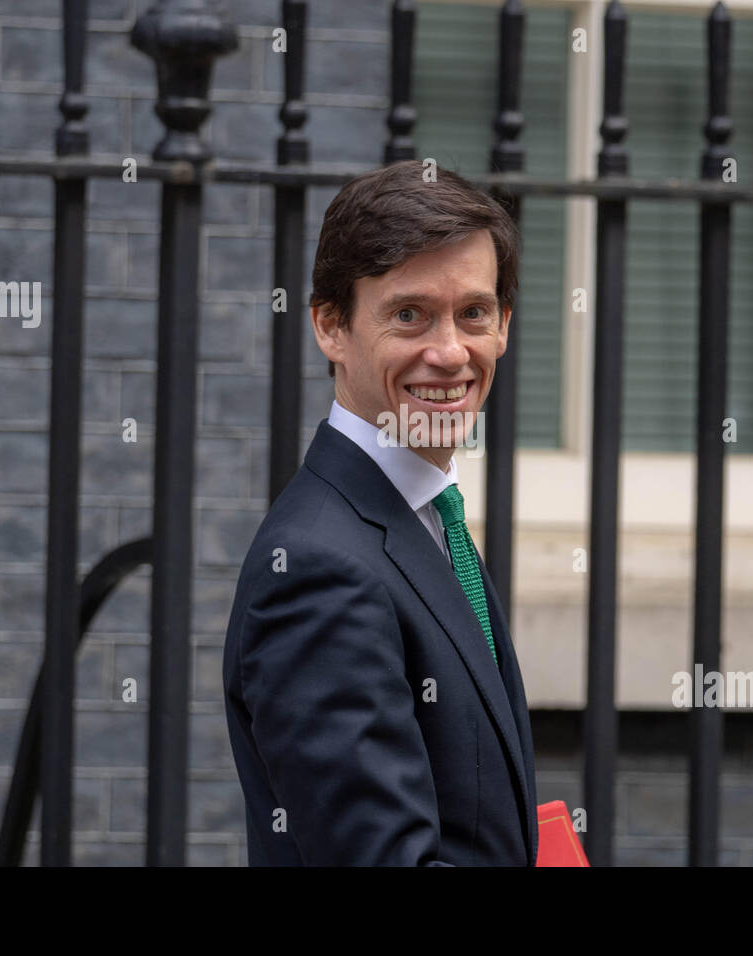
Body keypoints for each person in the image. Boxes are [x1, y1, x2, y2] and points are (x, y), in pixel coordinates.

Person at [222, 160, 537, 865]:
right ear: (330, 326)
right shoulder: (319, 571)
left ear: (504, 326)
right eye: (408, 315)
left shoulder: (425, 518)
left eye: (474, 313)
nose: (450, 353)